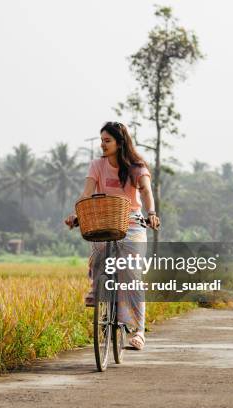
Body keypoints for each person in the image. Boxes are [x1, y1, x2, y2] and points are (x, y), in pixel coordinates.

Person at [65, 121, 160, 351]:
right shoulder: (97, 165)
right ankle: (97, 287)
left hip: (133, 224)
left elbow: (146, 191)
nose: (103, 145)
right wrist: (76, 214)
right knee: (98, 252)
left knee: (131, 272)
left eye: (107, 141)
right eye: (102, 140)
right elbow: (87, 193)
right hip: (105, 221)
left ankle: (138, 331)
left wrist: (152, 213)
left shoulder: (137, 167)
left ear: (120, 143)